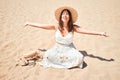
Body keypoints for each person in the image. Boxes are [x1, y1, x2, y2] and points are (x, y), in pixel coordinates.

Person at [21, 6, 108, 69]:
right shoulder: (56, 26)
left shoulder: (73, 27)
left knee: (80, 58)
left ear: (69, 17)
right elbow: (42, 26)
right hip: (57, 48)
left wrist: (101, 33)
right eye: (63, 14)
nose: (65, 15)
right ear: (61, 16)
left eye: (67, 14)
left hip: (69, 49)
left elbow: (87, 31)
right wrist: (29, 23)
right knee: (47, 55)